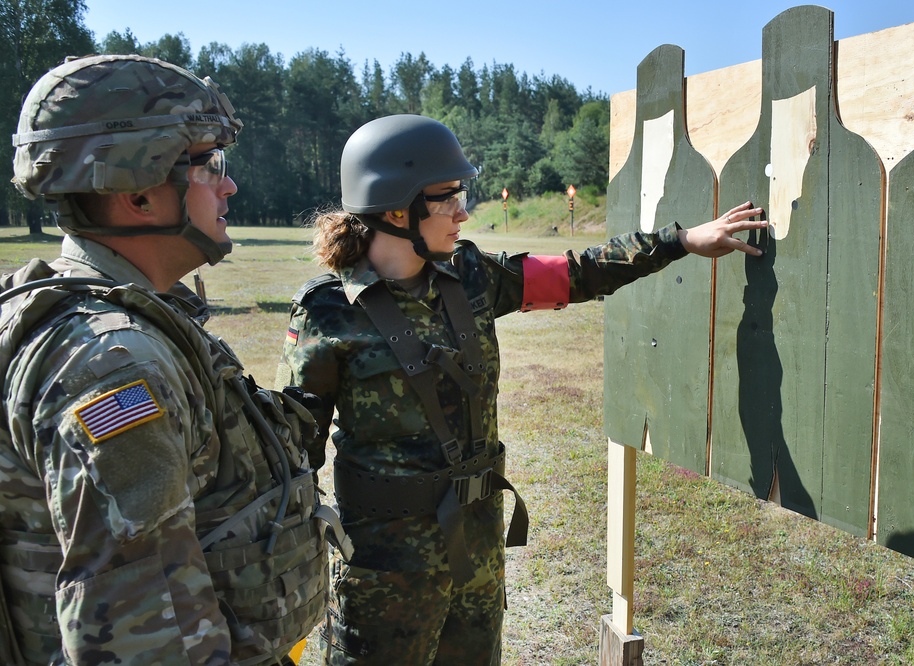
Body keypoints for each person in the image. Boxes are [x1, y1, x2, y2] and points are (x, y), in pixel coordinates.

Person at [275, 114, 766, 665]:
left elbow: (577, 273)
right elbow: (291, 451)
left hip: (476, 555)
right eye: (446, 198)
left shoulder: (471, 274)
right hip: (384, 573)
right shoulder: (326, 311)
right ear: (394, 210)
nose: (464, 211)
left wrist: (678, 241)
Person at [0, 54, 331, 666]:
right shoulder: (112, 367)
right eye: (209, 164)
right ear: (137, 191)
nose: (228, 185)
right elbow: (147, 641)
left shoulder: (132, 316)